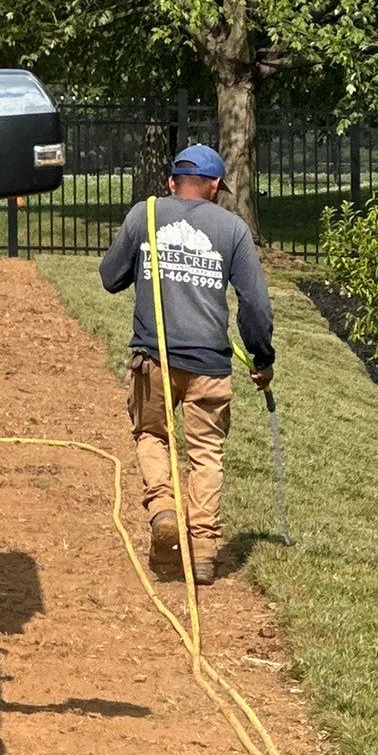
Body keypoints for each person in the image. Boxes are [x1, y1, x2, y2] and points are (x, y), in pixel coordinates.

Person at [99, 143, 276, 584]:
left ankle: (162, 509)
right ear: (215, 186)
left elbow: (110, 277)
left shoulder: (144, 215)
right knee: (206, 454)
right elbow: (254, 305)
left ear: (171, 181)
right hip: (210, 366)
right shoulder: (233, 229)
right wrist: (262, 357)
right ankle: (204, 550)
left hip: (153, 360)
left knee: (151, 435)